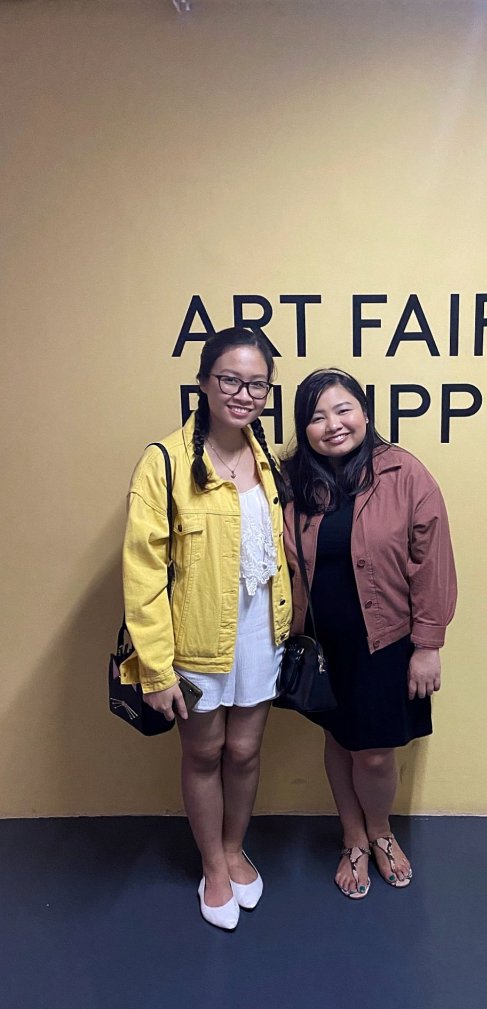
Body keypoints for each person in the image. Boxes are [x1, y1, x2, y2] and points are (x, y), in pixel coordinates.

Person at [120, 326, 291, 930]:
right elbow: (143, 571)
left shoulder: (266, 458)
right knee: (203, 752)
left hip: (260, 632)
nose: (244, 394)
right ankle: (213, 866)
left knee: (244, 751)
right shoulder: (164, 461)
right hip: (192, 639)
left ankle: (234, 847)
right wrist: (155, 668)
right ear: (203, 383)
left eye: (257, 385)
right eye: (230, 380)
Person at [282, 368, 457, 898]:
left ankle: (380, 832)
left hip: (385, 641)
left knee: (375, 752)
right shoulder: (291, 481)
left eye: (343, 410)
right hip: (321, 642)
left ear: (364, 411)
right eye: (316, 417)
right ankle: (352, 837)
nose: (333, 425)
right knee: (339, 738)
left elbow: (433, 562)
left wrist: (427, 645)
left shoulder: (403, 472)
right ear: (303, 428)